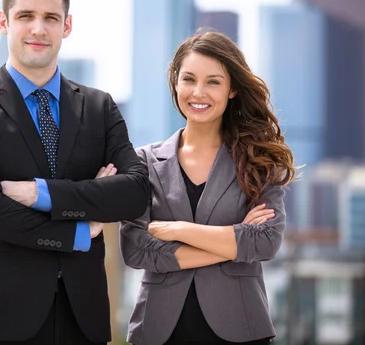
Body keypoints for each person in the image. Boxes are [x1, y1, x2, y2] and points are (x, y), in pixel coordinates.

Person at [0, 0, 149, 345]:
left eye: (50, 18)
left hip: (82, 317)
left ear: (66, 26)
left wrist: (41, 194)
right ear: (4, 21)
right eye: (26, 16)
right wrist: (79, 231)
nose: (39, 29)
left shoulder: (100, 107)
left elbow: (135, 193)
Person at [120, 30, 297, 345]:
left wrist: (177, 229)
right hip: (158, 331)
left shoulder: (259, 161)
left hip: (240, 328)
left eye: (213, 82)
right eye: (189, 79)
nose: (198, 92)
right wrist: (234, 238)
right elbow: (136, 248)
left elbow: (266, 241)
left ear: (231, 90)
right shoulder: (144, 161)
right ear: (175, 83)